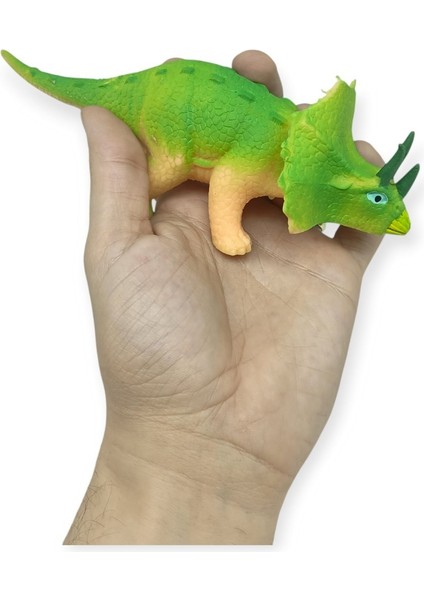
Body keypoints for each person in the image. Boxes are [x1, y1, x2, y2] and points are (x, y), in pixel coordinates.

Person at [64, 50, 384, 545]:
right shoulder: (264, 165)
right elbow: (231, 178)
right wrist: (227, 231)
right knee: (170, 170)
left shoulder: (289, 169)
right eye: (377, 200)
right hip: (177, 112)